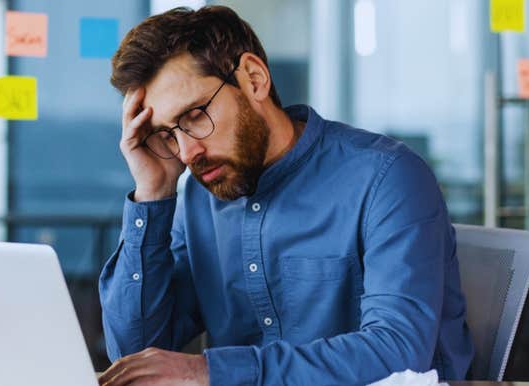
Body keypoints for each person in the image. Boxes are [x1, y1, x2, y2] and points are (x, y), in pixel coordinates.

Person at [97, 5, 474, 386]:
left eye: (195, 116)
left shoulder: (386, 179)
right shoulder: (199, 199)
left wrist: (209, 371)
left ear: (254, 79)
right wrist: (154, 192)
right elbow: (137, 351)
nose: (187, 152)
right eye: (167, 134)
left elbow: (398, 353)